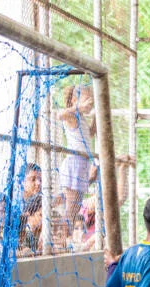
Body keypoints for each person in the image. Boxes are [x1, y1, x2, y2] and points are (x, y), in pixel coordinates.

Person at [56, 84, 95, 237]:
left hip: (83, 164)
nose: (89, 102)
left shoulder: (82, 118)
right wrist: (79, 107)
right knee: (71, 210)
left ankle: (64, 237)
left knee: (75, 208)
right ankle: (62, 239)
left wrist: (97, 116)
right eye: (86, 99)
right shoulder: (73, 116)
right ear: (74, 100)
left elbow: (90, 133)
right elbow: (60, 115)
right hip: (75, 164)